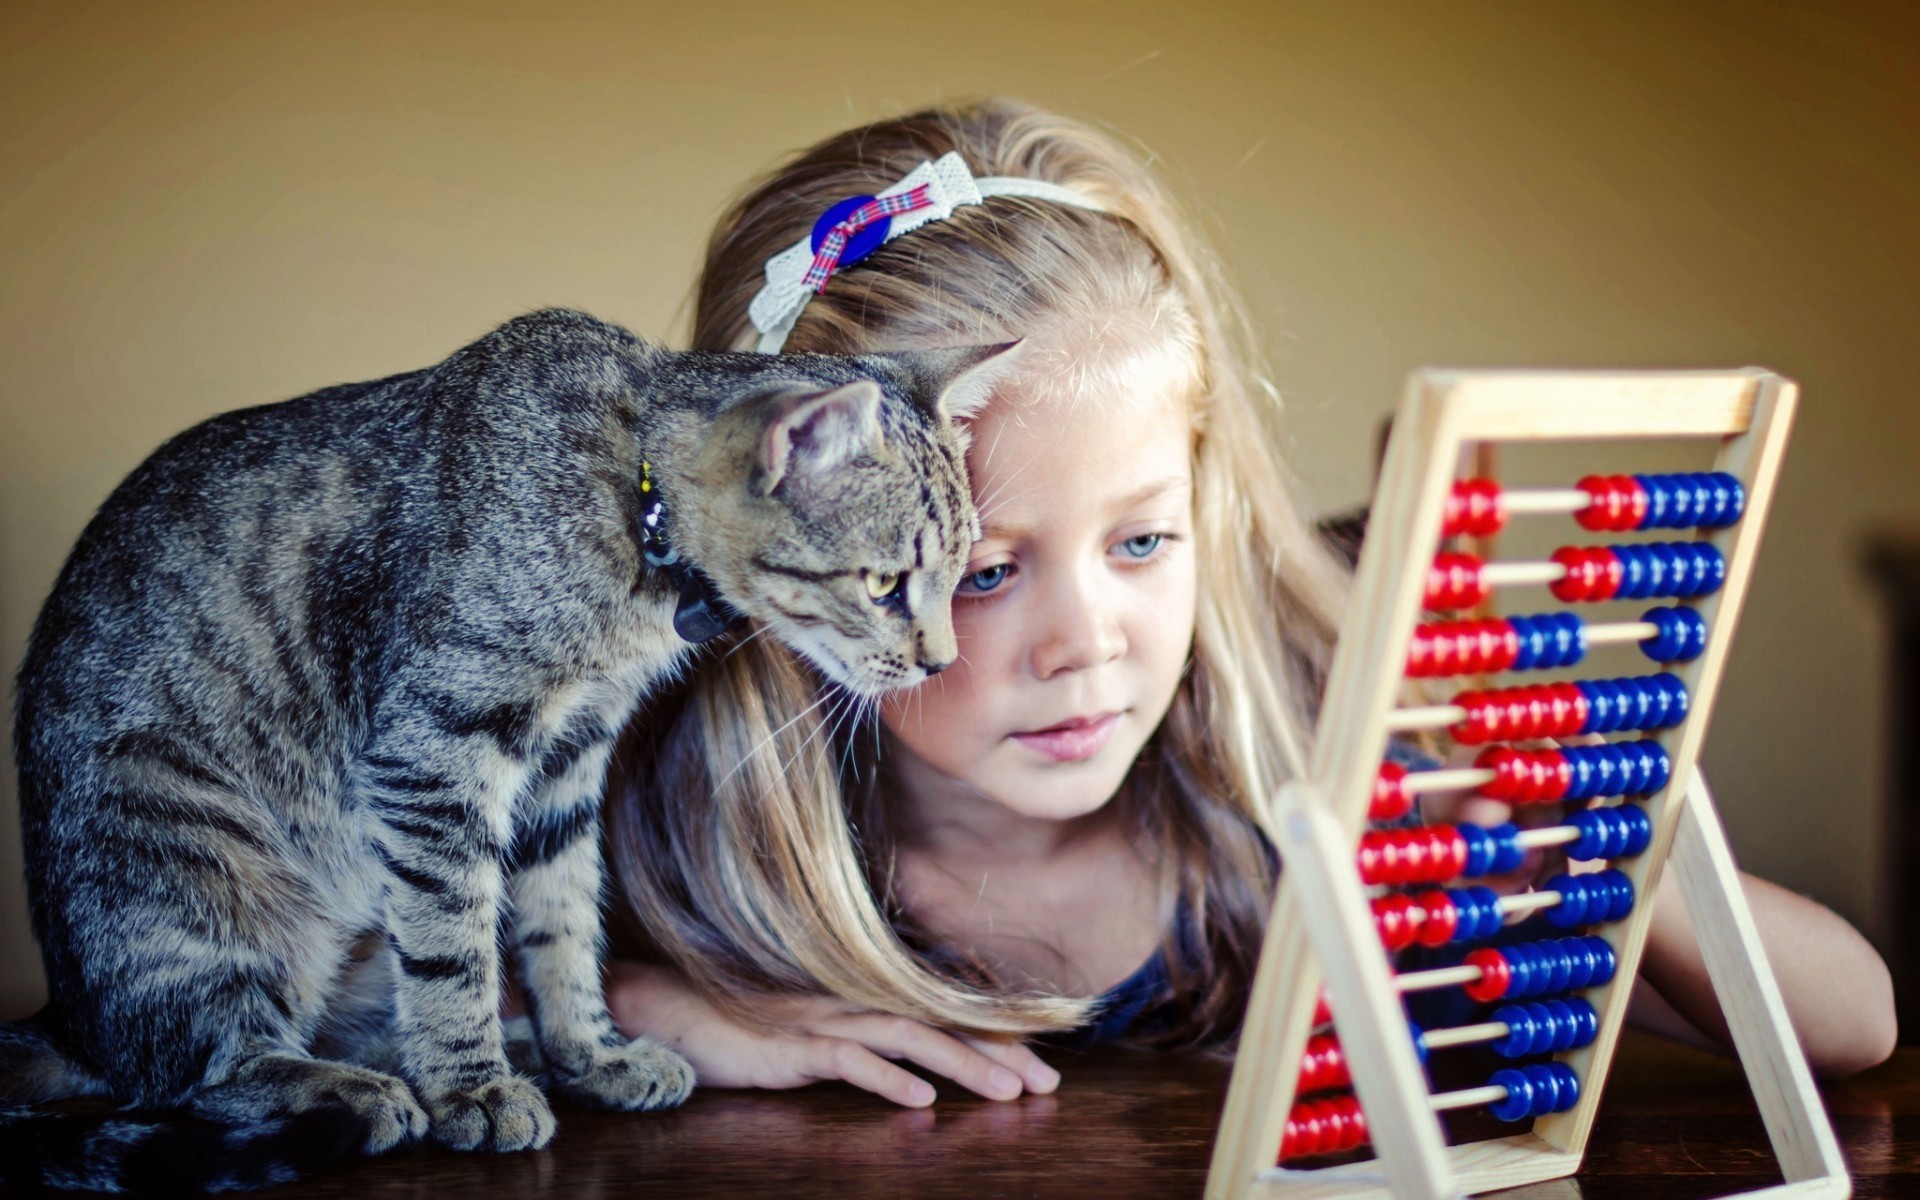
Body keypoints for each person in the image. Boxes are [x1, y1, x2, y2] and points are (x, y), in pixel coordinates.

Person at [596, 99, 1895, 1109]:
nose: (1088, 640)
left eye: (1145, 540)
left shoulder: (1314, 760)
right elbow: (397, 993)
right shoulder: (673, 798)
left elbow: (1856, 1025)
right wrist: (654, 1011)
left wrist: (1586, 834)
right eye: (985, 569)